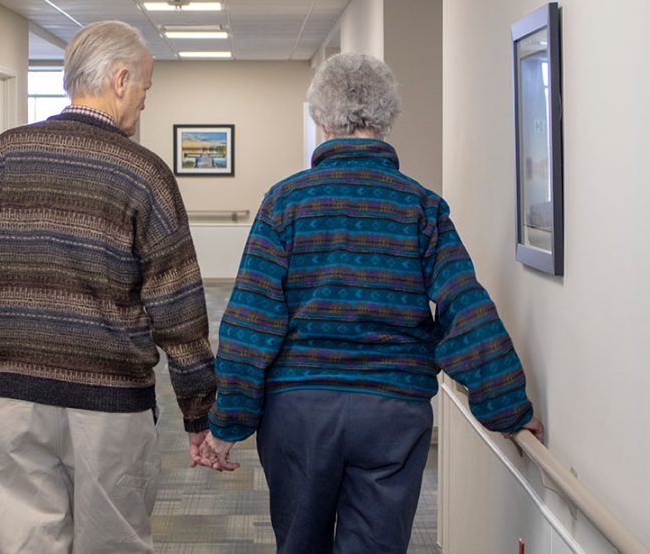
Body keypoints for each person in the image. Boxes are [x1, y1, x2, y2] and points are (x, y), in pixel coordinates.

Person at [198, 53, 544, 553]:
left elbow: (251, 322)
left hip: (300, 410)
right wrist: (510, 406)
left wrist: (228, 421)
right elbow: (464, 308)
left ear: (320, 118)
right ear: (386, 119)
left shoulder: (285, 202)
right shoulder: (420, 206)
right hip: (392, 408)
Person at [0, 20, 216, 553]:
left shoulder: (5, 154)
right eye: (144, 88)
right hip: (109, 402)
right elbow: (178, 305)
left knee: (22, 543)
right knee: (112, 543)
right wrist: (199, 411)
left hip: (12, 393)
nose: (143, 102)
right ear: (119, 80)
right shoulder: (144, 171)